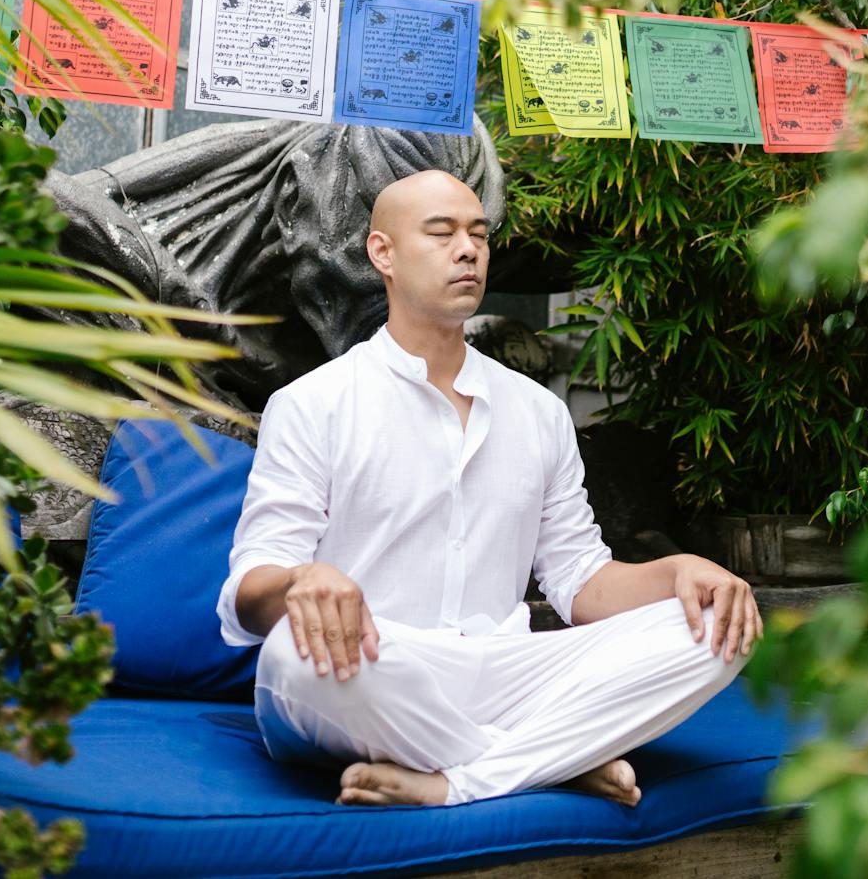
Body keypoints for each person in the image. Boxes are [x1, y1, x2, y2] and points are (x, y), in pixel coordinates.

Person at [216, 168, 763, 808]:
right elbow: (250, 592)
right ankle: (551, 759)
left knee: (717, 631)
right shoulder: (314, 404)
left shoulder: (538, 411)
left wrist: (677, 573)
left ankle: (459, 780)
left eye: (478, 233)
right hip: (373, 664)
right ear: (382, 253)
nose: (469, 249)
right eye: (441, 232)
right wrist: (298, 583)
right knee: (291, 658)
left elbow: (581, 582)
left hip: (505, 673)